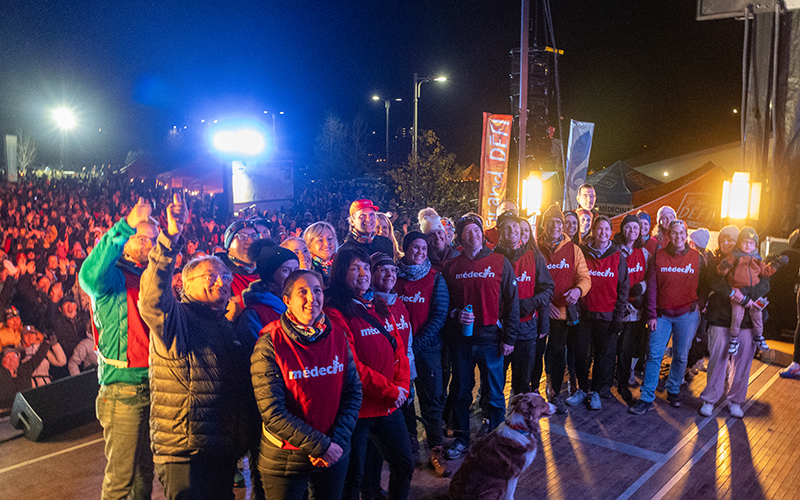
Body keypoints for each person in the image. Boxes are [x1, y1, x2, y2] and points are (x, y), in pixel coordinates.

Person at [139, 193, 258, 500]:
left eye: (225, 276)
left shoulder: (225, 323)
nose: (220, 281)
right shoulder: (178, 320)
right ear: (184, 283)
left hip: (220, 449)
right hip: (186, 455)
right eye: (210, 276)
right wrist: (169, 238)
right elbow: (152, 296)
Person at [251, 270, 362, 500]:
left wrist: (336, 442)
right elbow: (273, 412)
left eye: (317, 290)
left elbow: (353, 392)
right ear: (287, 300)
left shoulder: (337, 336)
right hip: (286, 459)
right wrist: (320, 446)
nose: (312, 298)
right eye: (303, 292)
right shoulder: (270, 343)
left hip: (333, 450)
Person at [78, 197, 157, 500]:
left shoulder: (150, 276)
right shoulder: (111, 278)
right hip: (122, 389)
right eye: (140, 237)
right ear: (124, 243)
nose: (148, 243)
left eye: (152, 238)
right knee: (120, 480)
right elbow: (89, 275)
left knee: (144, 474)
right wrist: (125, 224)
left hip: (155, 384)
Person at [323, 247, 413, 500]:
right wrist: (391, 390)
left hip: (389, 404)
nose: (363, 273)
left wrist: (402, 387)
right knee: (354, 478)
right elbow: (351, 364)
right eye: (354, 268)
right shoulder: (335, 312)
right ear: (341, 273)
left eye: (365, 267)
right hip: (358, 409)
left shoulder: (379, 303)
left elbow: (399, 348)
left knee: (404, 465)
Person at [443, 213, 520, 460]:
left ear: (483, 235)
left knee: (496, 394)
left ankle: (496, 439)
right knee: (462, 392)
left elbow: (511, 303)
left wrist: (509, 338)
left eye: (476, 231)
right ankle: (462, 438)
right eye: (467, 232)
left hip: (491, 340)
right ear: (460, 238)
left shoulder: (500, 262)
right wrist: (456, 314)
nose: (472, 235)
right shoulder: (451, 266)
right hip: (462, 342)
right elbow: (445, 305)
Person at [630, 219, 705, 415]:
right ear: (668, 235)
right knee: (654, 355)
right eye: (674, 233)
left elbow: (706, 285)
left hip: (686, 314)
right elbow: (652, 287)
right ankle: (647, 396)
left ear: (686, 234)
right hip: (661, 315)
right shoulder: (659, 256)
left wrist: (700, 303)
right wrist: (651, 315)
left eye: (682, 233)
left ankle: (673, 390)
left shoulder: (697, 258)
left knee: (681, 355)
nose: (678, 237)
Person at [395, 230, 451, 477]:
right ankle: (409, 442)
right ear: (405, 249)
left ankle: (435, 448)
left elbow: (439, 316)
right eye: (415, 248)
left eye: (423, 248)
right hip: (397, 352)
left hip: (427, 349)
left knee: (432, 399)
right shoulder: (392, 276)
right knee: (404, 399)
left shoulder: (435, 277)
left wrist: (414, 346)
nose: (419, 252)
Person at [700, 225, 766, 417]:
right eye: (723, 240)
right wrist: (732, 293)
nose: (727, 243)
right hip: (720, 317)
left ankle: (736, 400)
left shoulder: (754, 259)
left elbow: (765, 283)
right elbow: (714, 282)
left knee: (744, 359)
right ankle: (710, 398)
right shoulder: (717, 262)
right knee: (718, 357)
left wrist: (750, 296)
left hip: (745, 321)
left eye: (731, 239)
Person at [366, 252, 417, 496]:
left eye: (393, 271)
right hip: (373, 394)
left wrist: (406, 384)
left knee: (404, 464)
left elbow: (405, 349)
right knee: (370, 462)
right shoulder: (367, 308)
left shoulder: (400, 305)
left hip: (397, 392)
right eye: (383, 270)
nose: (389, 275)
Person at [569, 216, 628, 410]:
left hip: (607, 315)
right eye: (599, 229)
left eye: (606, 229)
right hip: (584, 314)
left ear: (611, 232)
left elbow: (623, 289)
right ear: (593, 231)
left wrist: (619, 317)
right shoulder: (582, 253)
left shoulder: (619, 257)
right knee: (580, 353)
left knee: (603, 356)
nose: (602, 233)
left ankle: (595, 392)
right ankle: (581, 389)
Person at [493, 211, 554, 398]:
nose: (512, 230)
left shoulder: (534, 258)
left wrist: (532, 302)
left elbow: (548, 289)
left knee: (522, 381)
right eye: (507, 227)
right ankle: (491, 418)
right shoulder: (492, 258)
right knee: (495, 380)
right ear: (500, 232)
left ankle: (520, 420)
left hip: (526, 328)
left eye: (515, 227)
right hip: (498, 329)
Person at [537, 205, 591, 413]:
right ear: (544, 225)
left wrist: (578, 291)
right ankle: (532, 392)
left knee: (558, 352)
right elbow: (530, 281)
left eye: (558, 223)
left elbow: (585, 278)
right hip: (540, 311)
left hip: (562, 313)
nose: (555, 227)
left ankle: (555, 393)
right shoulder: (536, 249)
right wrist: (545, 303)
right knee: (537, 354)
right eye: (550, 222)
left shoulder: (573, 250)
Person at [716, 226, 784, 354]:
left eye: (751, 243)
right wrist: (723, 266)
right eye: (745, 242)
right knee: (737, 314)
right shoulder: (734, 256)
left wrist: (775, 265)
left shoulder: (757, 258)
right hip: (739, 291)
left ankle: (759, 335)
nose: (748, 246)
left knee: (757, 312)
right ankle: (734, 338)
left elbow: (764, 272)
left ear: (755, 245)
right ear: (740, 243)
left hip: (753, 291)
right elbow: (722, 271)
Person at [237, 242, 300, 351]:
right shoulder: (254, 315)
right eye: (286, 270)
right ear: (270, 276)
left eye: (296, 269)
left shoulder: (303, 304)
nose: (293, 275)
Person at [613, 214, 649, 404]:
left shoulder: (644, 253)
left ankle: (622, 382)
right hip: (617, 305)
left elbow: (650, 277)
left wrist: (641, 287)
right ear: (622, 229)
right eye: (628, 227)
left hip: (636, 308)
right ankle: (606, 380)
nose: (632, 231)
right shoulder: (614, 249)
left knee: (627, 347)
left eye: (636, 228)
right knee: (612, 345)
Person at [218, 219, 263, 308]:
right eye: (242, 236)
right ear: (229, 245)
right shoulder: (219, 275)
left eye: (254, 236)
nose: (250, 241)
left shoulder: (268, 272)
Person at [0, 342, 51, 415]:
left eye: (14, 356)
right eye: (8, 357)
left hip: (25, 410)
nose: (12, 359)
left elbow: (38, 357)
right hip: (4, 412)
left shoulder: (24, 370)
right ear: (2, 361)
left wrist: (46, 342)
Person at [419, 207, 459, 271]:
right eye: (432, 235)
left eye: (439, 232)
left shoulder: (457, 255)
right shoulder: (422, 261)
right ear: (427, 239)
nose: (437, 237)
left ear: (444, 233)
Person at [303, 221, 339, 286]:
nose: (327, 243)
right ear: (309, 246)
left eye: (330, 238)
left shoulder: (342, 262)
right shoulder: (307, 267)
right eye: (320, 240)